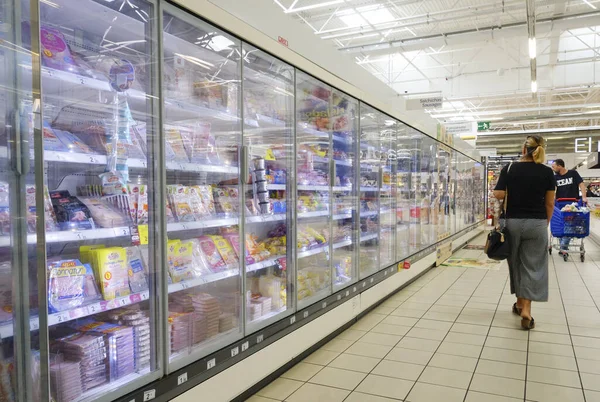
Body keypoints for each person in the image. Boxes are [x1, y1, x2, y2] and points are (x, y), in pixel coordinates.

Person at [493, 135, 556, 330]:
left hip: (512, 222)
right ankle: (526, 309)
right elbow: (550, 202)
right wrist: (544, 222)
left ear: (523, 149)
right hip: (536, 223)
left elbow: (498, 193)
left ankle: (519, 303)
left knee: (516, 263)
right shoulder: (547, 172)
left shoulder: (510, 168)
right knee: (533, 265)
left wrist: (511, 191)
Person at [551, 159, 587, 253]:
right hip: (560, 204)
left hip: (573, 204)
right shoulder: (555, 177)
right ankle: (563, 246)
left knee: (570, 224)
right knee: (561, 224)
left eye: (554, 166)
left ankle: (563, 246)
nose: (553, 168)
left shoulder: (573, 173)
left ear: (560, 166)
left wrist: (584, 197)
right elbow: (553, 190)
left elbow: (581, 184)